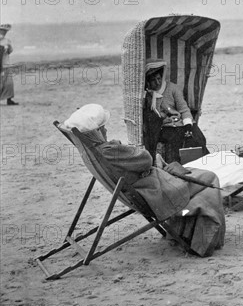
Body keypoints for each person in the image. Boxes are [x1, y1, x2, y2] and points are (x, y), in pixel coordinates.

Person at [63, 104, 226, 257]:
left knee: (193, 174)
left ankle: (184, 231)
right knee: (209, 178)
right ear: (95, 132)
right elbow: (146, 159)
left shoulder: (93, 150)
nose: (105, 129)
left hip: (143, 188)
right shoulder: (108, 150)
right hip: (154, 192)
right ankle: (203, 242)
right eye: (101, 128)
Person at [143, 58, 208, 164]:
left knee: (198, 137)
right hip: (164, 127)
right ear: (148, 82)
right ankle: (175, 167)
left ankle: (201, 165)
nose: (158, 82)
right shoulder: (147, 96)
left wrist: (188, 126)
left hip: (182, 122)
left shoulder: (173, 88)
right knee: (174, 140)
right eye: (153, 80)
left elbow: (184, 109)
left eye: (159, 78)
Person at [0, 24, 18, 105]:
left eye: (5, 31)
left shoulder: (7, 40)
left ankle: (9, 99)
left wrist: (8, 47)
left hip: (6, 63)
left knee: (9, 83)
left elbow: (10, 51)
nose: (4, 32)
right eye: (2, 30)